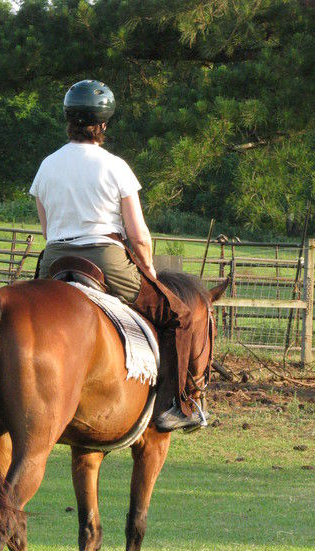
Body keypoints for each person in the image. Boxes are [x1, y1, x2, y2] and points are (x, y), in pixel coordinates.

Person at [30, 79, 205, 432]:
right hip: (106, 259)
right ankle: (178, 405)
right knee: (180, 315)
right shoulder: (115, 167)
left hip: (54, 260)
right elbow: (139, 235)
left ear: (68, 121)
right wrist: (150, 270)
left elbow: (48, 231)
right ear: (104, 125)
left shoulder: (46, 166)